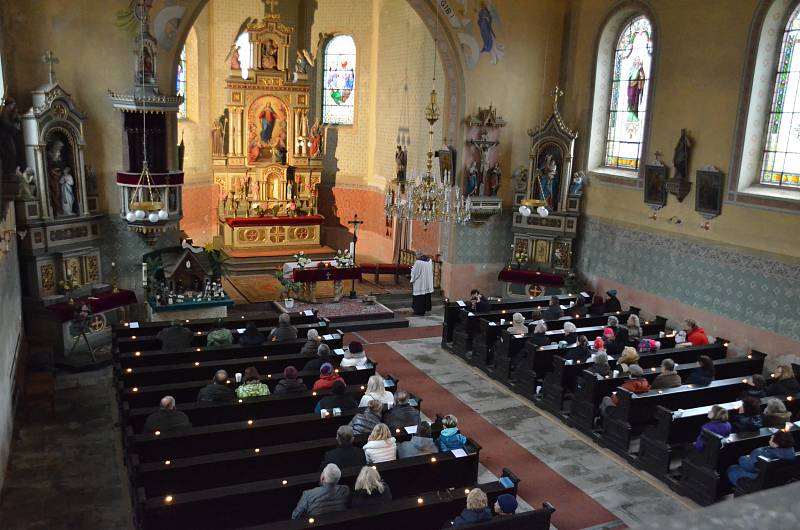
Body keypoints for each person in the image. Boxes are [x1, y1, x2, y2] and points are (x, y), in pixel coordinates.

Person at [727, 430, 796, 488]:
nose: (770, 439)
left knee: (732, 469)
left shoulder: (760, 453)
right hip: (778, 480)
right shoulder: (792, 453)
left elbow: (748, 467)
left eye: (771, 438)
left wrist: (743, 458)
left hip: (759, 480)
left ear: (776, 445)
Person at [410, 250, 434, 316]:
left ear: (418, 256)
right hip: (426, 283)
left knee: (419, 299)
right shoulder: (429, 261)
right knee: (425, 297)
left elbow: (415, 273)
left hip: (420, 284)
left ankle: (418, 311)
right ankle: (424, 310)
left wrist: (412, 276)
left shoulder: (418, 262)